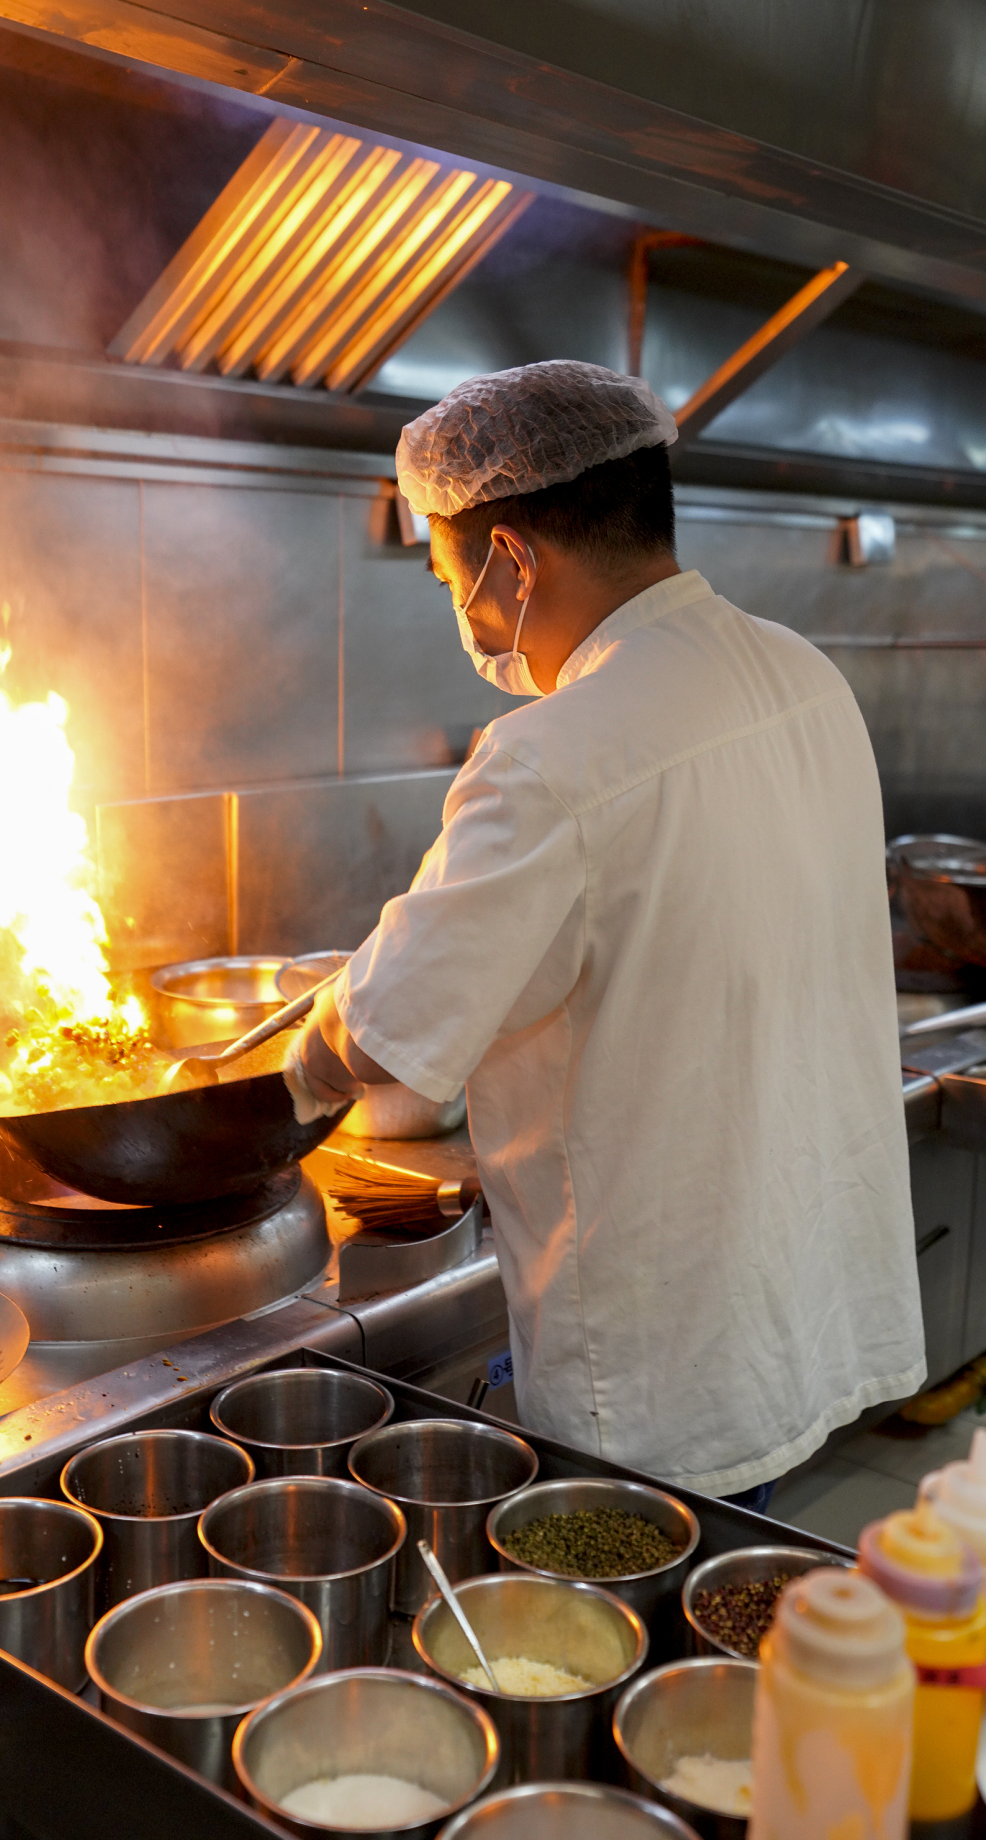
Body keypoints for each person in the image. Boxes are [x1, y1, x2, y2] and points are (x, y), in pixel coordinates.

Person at [288, 359, 925, 1507]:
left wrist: (285, 1069)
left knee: (633, 1603)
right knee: (734, 1586)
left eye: (451, 580)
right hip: (794, 1296)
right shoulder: (804, 674)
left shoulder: (555, 753)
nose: (467, 617)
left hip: (657, 1365)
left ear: (512, 558)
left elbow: (384, 1033)